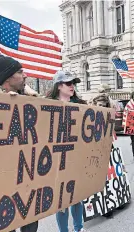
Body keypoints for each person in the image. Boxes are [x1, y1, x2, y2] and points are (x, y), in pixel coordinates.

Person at [0, 54, 39, 232]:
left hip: (27, 185)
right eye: (20, 72)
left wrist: (32, 99)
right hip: (1, 187)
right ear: (8, 78)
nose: (25, 75)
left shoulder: (31, 98)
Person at [46, 70, 88, 232]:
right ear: (59, 85)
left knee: (76, 197)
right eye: (69, 83)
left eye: (74, 83)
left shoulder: (81, 105)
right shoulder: (46, 105)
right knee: (61, 201)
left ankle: (79, 228)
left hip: (75, 158)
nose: (72, 86)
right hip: (56, 160)